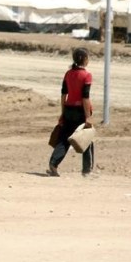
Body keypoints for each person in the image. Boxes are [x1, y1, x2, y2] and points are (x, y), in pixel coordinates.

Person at [47, 47, 94, 177]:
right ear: (84, 59)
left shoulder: (68, 74)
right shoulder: (87, 75)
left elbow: (63, 95)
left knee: (64, 139)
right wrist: (88, 117)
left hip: (68, 109)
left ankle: (53, 163)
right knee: (86, 138)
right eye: (88, 57)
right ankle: (86, 170)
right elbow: (85, 98)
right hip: (80, 112)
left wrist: (62, 113)